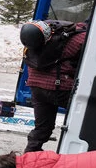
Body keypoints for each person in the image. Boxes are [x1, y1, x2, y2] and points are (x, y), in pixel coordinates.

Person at [22, 20, 88, 152]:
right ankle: (75, 155)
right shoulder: (79, 37)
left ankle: (28, 159)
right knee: (83, 120)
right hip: (61, 89)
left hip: (36, 88)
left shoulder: (34, 38)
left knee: (41, 129)